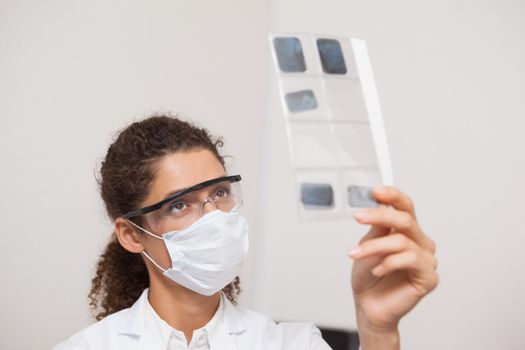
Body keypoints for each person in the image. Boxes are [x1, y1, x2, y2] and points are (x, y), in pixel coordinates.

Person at [53, 114, 438, 350]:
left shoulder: (293, 344)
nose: (214, 218)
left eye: (220, 193)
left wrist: (378, 331)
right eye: (179, 204)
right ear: (131, 234)